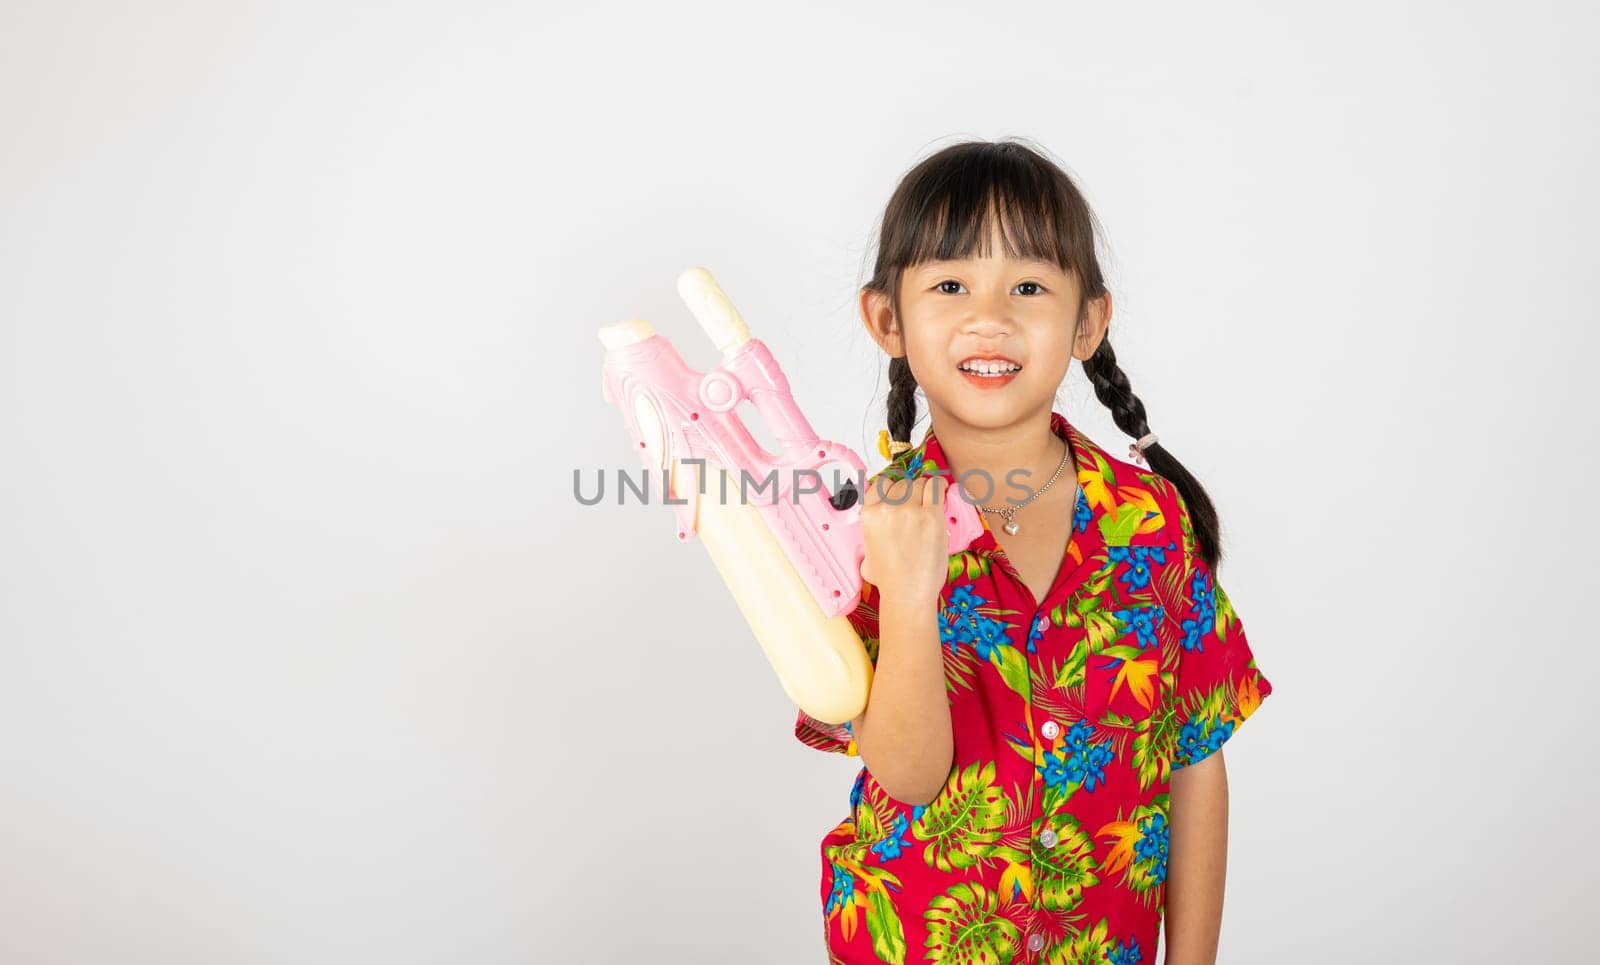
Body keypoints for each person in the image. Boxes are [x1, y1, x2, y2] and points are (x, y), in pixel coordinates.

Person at [793, 138, 1274, 964]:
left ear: (1088, 320)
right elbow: (908, 775)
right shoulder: (863, 534)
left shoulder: (1149, 521)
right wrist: (908, 593)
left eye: (1029, 286)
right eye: (950, 285)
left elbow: (1196, 760)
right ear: (887, 320)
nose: (991, 317)